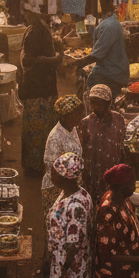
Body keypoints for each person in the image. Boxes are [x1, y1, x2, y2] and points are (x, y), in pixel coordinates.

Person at [20, 10, 62, 177]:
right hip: (37, 88)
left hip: (42, 87)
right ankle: (34, 167)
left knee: (41, 128)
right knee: (36, 129)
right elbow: (27, 60)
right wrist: (54, 60)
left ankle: (37, 165)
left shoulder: (40, 28)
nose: (25, 15)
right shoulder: (35, 31)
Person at [42, 95, 85, 252]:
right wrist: (65, 192)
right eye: (77, 114)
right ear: (64, 116)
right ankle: (51, 261)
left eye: (81, 112)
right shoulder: (55, 137)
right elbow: (52, 169)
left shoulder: (72, 129)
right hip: (56, 188)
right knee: (56, 229)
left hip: (70, 185)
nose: (81, 117)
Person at [77, 83, 127, 206]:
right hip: (93, 172)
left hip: (113, 167)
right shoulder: (85, 123)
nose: (95, 107)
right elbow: (81, 149)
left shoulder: (118, 119)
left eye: (100, 103)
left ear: (109, 102)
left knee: (112, 201)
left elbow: (122, 145)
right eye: (93, 103)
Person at [75, 8, 129, 99]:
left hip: (111, 74)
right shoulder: (111, 22)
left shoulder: (108, 25)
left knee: (91, 83)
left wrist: (76, 64)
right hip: (115, 70)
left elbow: (97, 55)